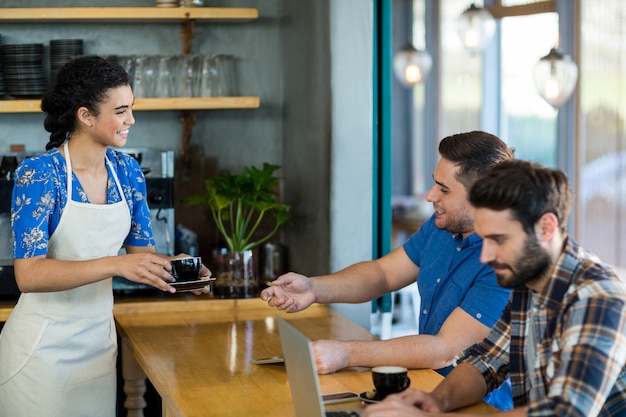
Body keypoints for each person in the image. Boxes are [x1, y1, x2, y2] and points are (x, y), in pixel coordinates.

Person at [0, 56, 211, 417]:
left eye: (132, 109)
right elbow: (29, 275)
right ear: (86, 116)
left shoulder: (127, 172)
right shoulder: (39, 174)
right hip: (41, 354)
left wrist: (178, 268)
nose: (131, 120)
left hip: (98, 349)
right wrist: (117, 264)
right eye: (121, 110)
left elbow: (142, 256)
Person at [261, 130, 515, 410]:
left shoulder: (502, 260)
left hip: (476, 406)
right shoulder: (440, 227)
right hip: (426, 390)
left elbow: (444, 350)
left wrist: (346, 353)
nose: (430, 196)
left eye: (444, 189)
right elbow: (383, 273)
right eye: (434, 184)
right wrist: (313, 288)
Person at [362, 159, 626, 417]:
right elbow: (487, 361)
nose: (486, 255)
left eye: (499, 240)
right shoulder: (528, 278)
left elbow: (566, 411)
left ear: (546, 228)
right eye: (485, 238)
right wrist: (436, 401)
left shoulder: (599, 297)